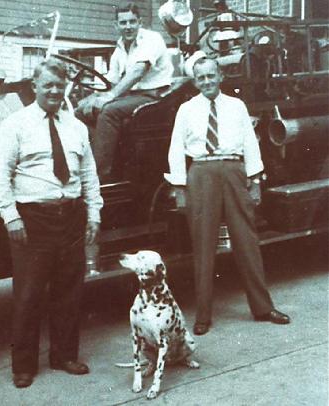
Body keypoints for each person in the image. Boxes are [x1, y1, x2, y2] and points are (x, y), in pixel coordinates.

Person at [0, 57, 103, 387]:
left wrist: (93, 213)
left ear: (66, 87)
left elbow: (88, 176)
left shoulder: (76, 127)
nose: (54, 90)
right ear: (35, 86)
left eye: (59, 84)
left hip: (70, 216)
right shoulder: (15, 124)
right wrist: (11, 217)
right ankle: (23, 365)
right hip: (32, 220)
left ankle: (64, 355)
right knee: (28, 294)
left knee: (69, 290)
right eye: (48, 84)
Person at [165, 57, 290, 336]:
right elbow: (175, 149)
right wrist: (180, 188)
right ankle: (203, 314)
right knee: (203, 245)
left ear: (220, 76)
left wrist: (255, 181)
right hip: (201, 173)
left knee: (247, 241)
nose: (207, 82)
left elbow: (249, 143)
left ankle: (262, 307)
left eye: (211, 76)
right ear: (195, 81)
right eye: (201, 78)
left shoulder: (237, 106)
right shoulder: (186, 110)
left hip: (234, 170)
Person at [77, 1, 174, 182]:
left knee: (109, 112)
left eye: (132, 22)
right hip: (131, 97)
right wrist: (92, 98)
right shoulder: (120, 47)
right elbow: (110, 80)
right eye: (123, 23)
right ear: (116, 25)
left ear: (140, 22)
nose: (128, 27)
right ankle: (82, 164)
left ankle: (99, 175)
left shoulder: (152, 39)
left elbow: (138, 71)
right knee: (80, 110)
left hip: (154, 98)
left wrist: (110, 96)